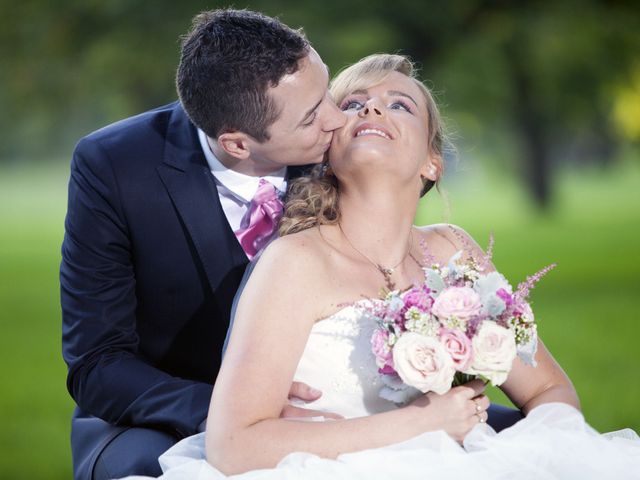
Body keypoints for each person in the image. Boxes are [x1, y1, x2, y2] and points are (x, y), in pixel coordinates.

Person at [122, 53, 640, 480]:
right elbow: (233, 445)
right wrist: (422, 424)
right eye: (353, 104)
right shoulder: (295, 262)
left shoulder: (453, 253)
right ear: (328, 148)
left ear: (431, 162)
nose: (373, 111)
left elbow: (550, 388)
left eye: (399, 104)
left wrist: (552, 451)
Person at [60, 9, 346, 480]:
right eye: (313, 117)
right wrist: (239, 416)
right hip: (164, 415)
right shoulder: (113, 166)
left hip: (328, 403)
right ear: (236, 143)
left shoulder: (340, 149)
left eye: (327, 91)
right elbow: (98, 361)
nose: (338, 120)